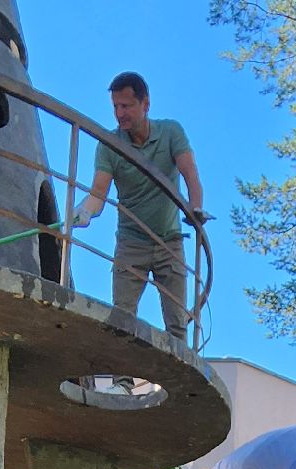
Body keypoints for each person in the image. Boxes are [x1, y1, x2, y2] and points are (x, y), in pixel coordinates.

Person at [70, 71, 205, 336]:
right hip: (131, 243)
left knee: (177, 323)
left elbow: (190, 174)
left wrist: (196, 208)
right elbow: (99, 192)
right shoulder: (109, 144)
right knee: (122, 317)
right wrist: (85, 210)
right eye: (116, 107)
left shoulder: (170, 132)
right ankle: (122, 380)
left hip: (170, 242)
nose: (120, 114)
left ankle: (173, 379)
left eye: (127, 106)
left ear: (145, 104)